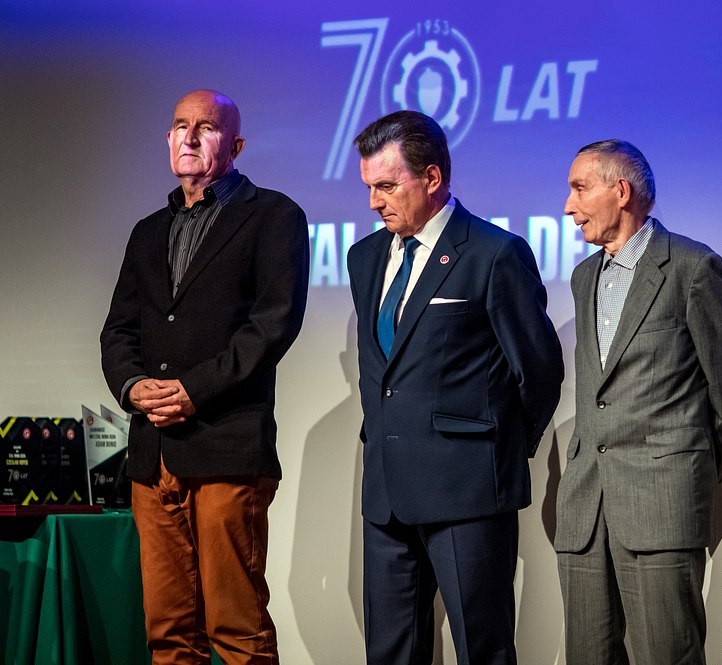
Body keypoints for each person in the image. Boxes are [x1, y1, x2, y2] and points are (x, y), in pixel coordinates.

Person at [100, 89, 309, 664]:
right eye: (180, 126)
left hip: (226, 448)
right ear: (167, 139)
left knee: (236, 629)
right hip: (153, 455)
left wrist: (193, 391)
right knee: (169, 634)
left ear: (235, 145)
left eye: (206, 127)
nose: (189, 137)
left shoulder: (273, 216)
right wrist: (134, 387)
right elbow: (119, 329)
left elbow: (273, 325)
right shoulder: (148, 231)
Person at [346, 110, 563, 665]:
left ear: (433, 177)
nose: (373, 202)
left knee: (482, 650)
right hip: (386, 497)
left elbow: (539, 371)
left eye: (387, 186)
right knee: (390, 654)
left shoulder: (494, 253)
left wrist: (495, 450)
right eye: (369, 187)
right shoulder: (364, 258)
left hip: (468, 494)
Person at [555, 140, 722, 665]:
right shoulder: (583, 276)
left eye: (579, 189)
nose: (568, 206)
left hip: (662, 502)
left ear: (620, 191)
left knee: (667, 654)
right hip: (585, 506)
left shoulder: (692, 267)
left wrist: (687, 463)